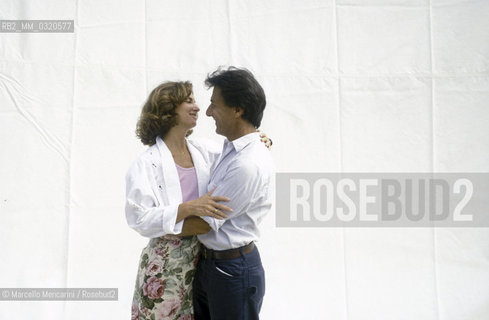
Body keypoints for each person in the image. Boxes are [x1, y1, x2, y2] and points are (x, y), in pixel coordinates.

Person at [125, 81, 271, 320]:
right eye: (189, 101)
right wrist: (186, 208)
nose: (198, 107)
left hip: (201, 264)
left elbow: (241, 155)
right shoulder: (146, 164)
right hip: (166, 266)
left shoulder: (205, 151)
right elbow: (138, 217)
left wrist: (262, 139)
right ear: (168, 109)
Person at [193, 67, 275, 320]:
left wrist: (153, 223)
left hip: (231, 271)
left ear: (238, 110)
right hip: (212, 266)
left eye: (214, 105)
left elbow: (204, 222)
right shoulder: (230, 149)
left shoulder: (247, 164)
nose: (207, 112)